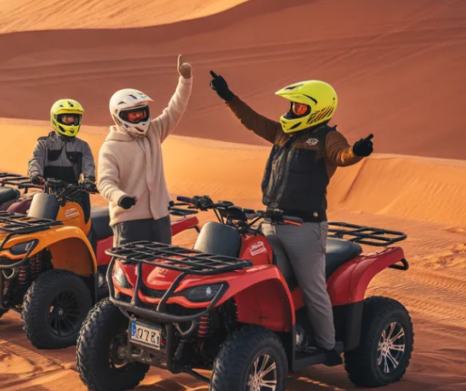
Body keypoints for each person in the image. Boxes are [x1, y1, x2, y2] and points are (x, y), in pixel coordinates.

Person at [208, 71, 374, 365]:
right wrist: (228, 97)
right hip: (269, 223)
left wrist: (357, 152)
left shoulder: (327, 137)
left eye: (299, 107)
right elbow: (252, 120)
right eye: (292, 106)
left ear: (317, 109)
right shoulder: (282, 133)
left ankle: (327, 346)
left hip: (304, 228)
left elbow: (341, 155)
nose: (291, 111)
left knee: (312, 287)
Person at [97, 55, 193, 246]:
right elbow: (104, 182)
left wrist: (185, 81)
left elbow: (175, 109)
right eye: (134, 114)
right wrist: (120, 197)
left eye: (142, 112)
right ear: (120, 116)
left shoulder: (154, 131)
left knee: (162, 271)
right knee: (128, 273)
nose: (140, 118)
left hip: (160, 219)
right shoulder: (111, 147)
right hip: (129, 222)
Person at [28, 98, 97, 220]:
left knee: (83, 224)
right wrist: (35, 175)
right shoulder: (44, 144)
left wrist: (89, 180)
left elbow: (88, 164)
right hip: (49, 195)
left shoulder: (82, 146)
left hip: (75, 195)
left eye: (74, 119)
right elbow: (36, 160)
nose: (71, 122)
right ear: (56, 118)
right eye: (66, 118)